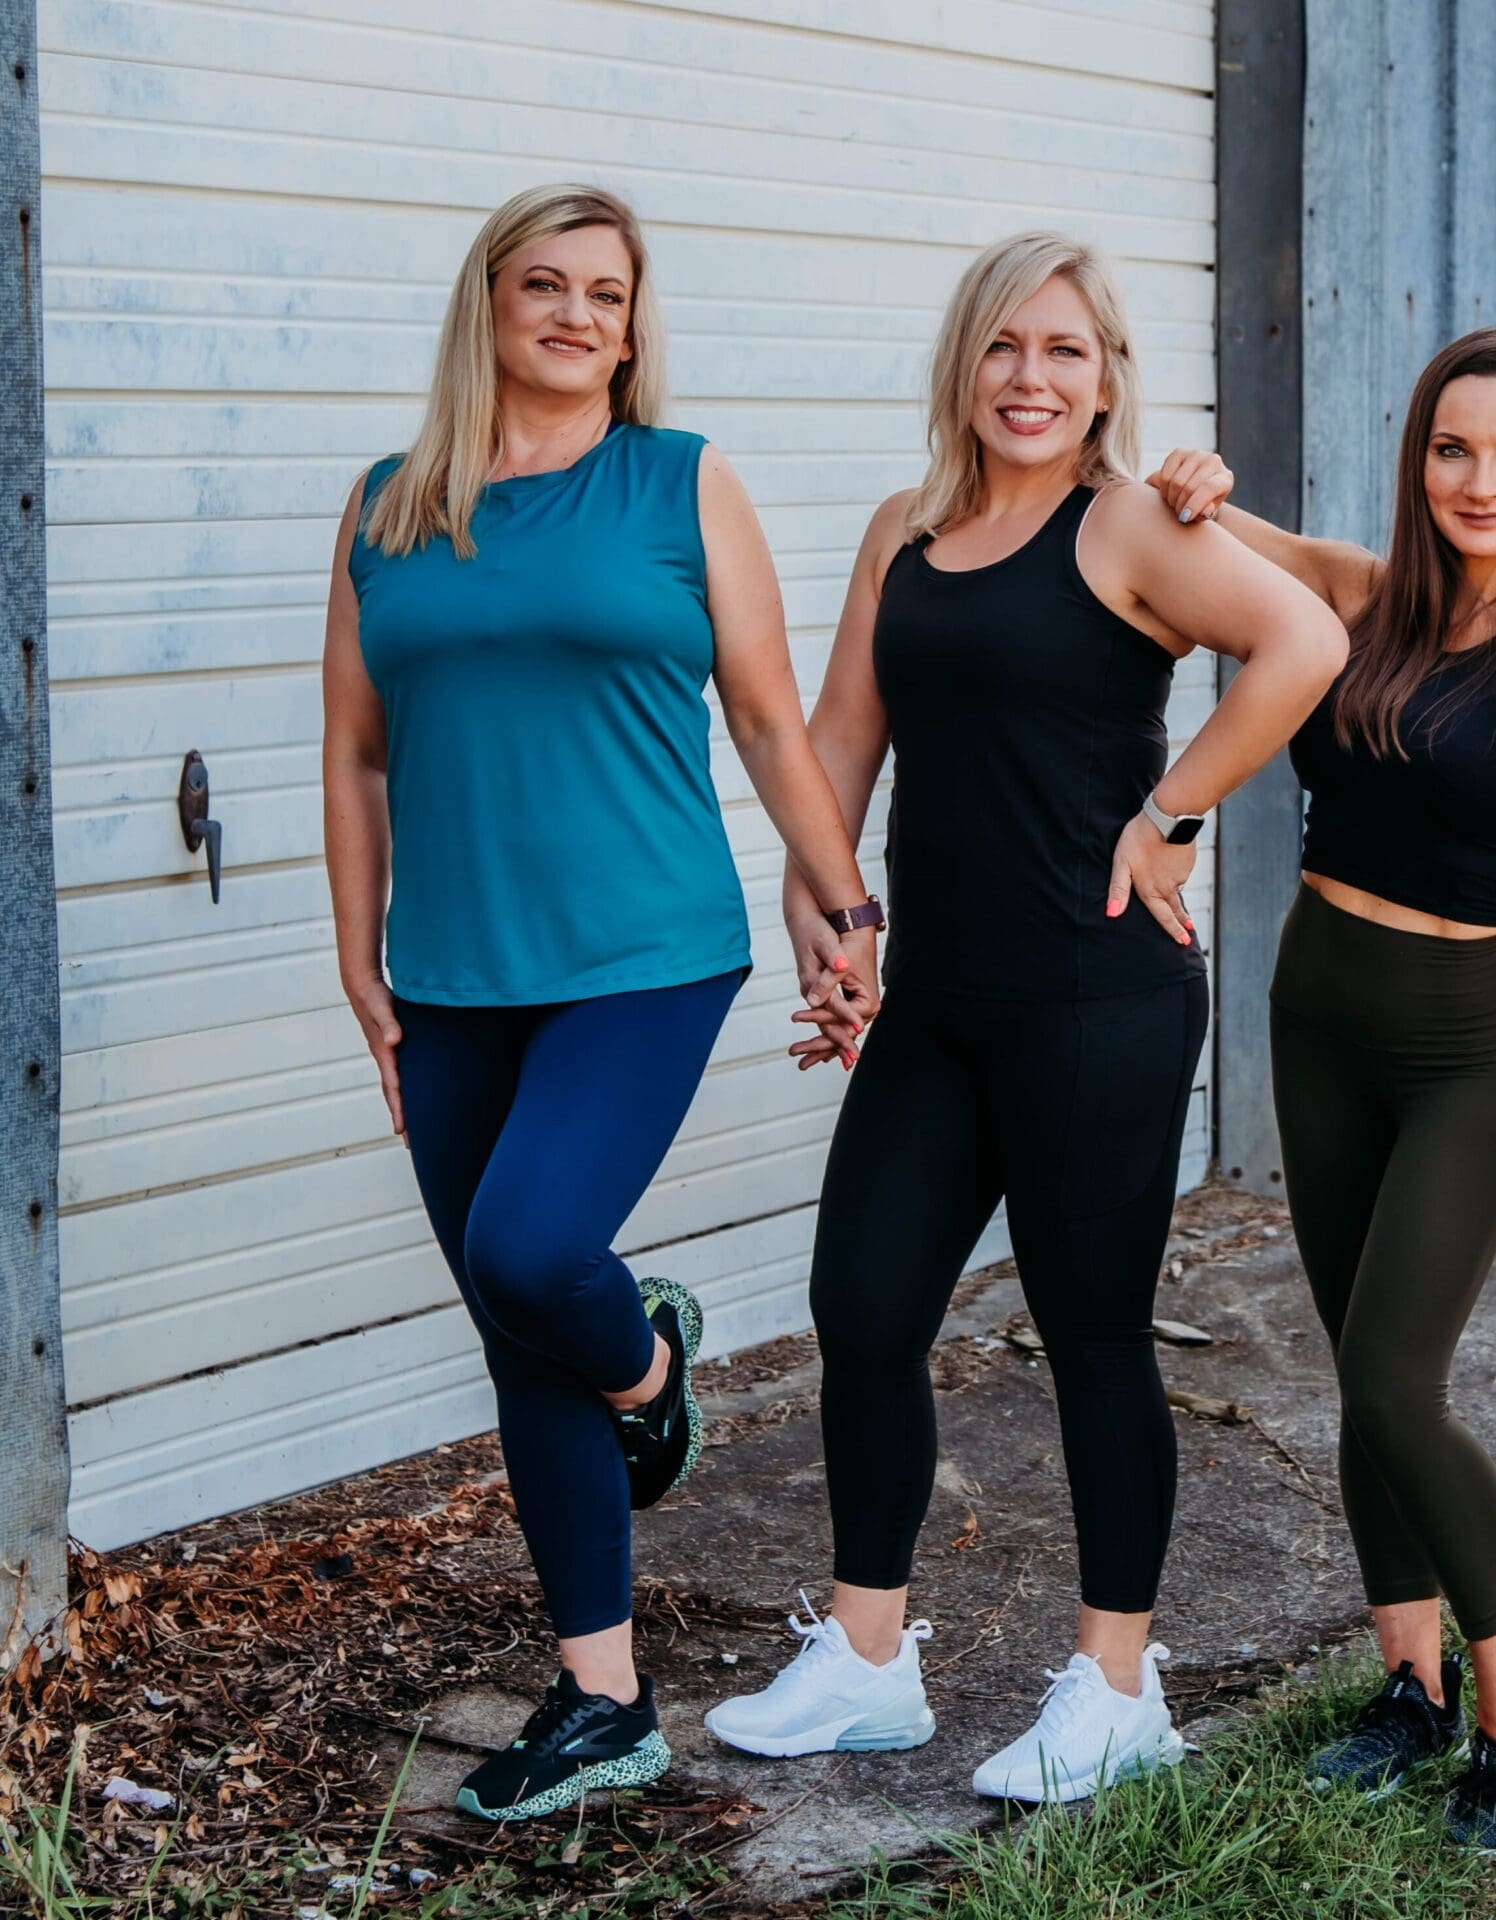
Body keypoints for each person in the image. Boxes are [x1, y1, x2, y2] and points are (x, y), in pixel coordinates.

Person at [702, 231, 1348, 1803]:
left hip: (1097, 997)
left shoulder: (1129, 524)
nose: (1031, 378)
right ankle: (869, 1661)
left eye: (1065, 351)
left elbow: (1307, 639)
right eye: (1004, 347)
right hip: (936, 1001)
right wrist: (824, 905)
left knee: (1093, 1340)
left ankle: (1118, 1687)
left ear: (1108, 377)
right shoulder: (902, 535)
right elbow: (843, 744)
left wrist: (1176, 812)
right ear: (962, 366)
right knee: (863, 1305)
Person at [322, 183, 881, 1823]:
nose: (577, 315)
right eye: (546, 284)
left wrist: (843, 905)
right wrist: (357, 952)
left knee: (531, 1253)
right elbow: (356, 754)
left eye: (608, 294)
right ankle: (604, 1701)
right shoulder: (387, 505)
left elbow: (776, 726)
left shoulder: (679, 480)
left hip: (645, 951)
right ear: (486, 303)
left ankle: (650, 1373)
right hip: (451, 969)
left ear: (635, 327)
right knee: (513, 1331)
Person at [1146, 326, 1496, 1852]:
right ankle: (1411, 1687)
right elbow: (1221, 538)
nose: (1478, 479)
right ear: (1418, 456)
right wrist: (1190, 485)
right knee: (1349, 1363)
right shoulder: (1366, 596)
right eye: (1452, 447)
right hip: (1317, 1012)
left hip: (1459, 1043)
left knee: (1390, 1379)